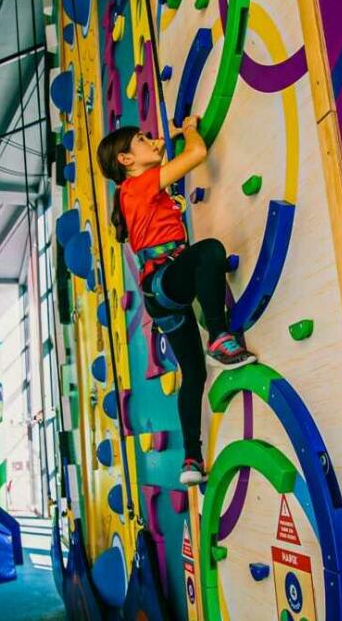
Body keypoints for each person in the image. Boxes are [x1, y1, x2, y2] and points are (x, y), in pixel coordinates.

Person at [96, 116, 256, 486]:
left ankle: (191, 460)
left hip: (161, 295)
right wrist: (188, 131)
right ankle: (219, 336)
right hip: (166, 279)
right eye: (141, 139)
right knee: (209, 252)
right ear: (125, 160)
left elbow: (163, 155)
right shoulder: (138, 186)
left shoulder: (134, 190)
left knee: (194, 375)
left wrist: (159, 146)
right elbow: (197, 152)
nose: (152, 140)